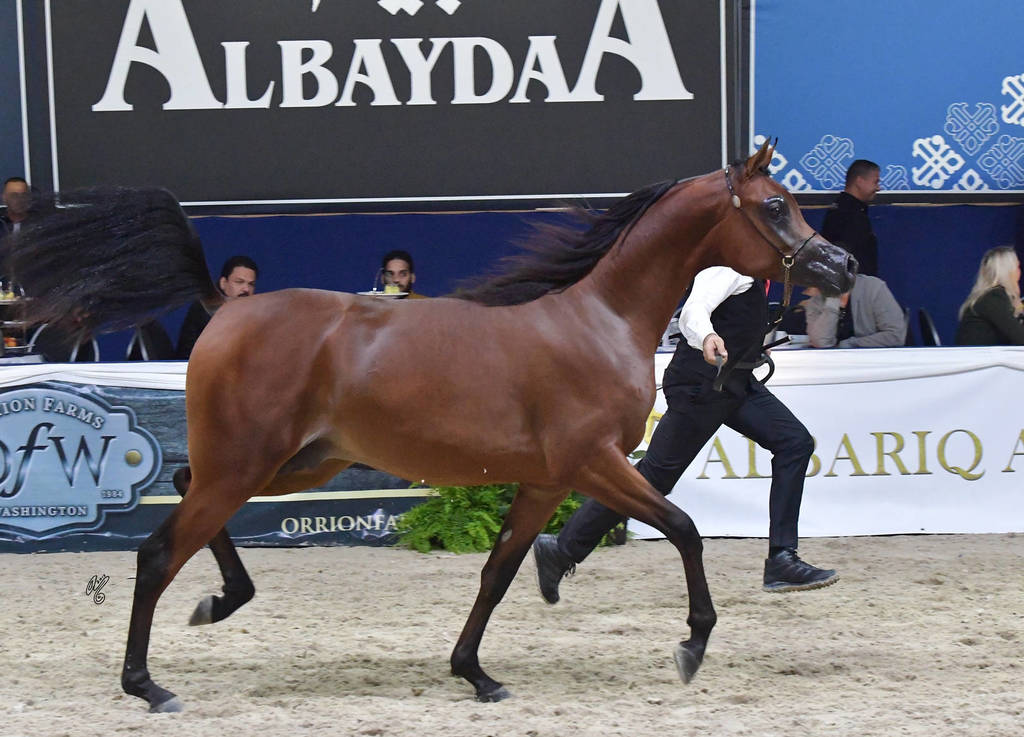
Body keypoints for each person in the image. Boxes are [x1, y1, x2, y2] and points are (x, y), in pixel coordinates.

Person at [533, 266, 839, 600]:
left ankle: (782, 558)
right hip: (702, 386)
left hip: (735, 382)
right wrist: (708, 336)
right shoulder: (729, 268)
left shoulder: (755, 275)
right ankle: (562, 550)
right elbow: (694, 310)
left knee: (795, 442)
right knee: (654, 478)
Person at [176, 255, 258, 358]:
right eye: (239, 282)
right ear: (223, 283)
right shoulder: (205, 310)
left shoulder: (257, 316)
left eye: (251, 284)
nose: (246, 289)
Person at [803, 275, 906, 348]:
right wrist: (833, 299)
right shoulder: (816, 301)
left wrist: (851, 344)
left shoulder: (873, 288)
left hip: (876, 363)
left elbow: (895, 335)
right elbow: (821, 342)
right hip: (833, 366)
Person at [821, 160, 881, 277]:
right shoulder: (847, 215)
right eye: (876, 182)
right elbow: (840, 256)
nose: (878, 188)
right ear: (859, 181)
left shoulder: (843, 210)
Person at [955, 246, 1024, 345]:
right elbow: (1020, 338)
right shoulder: (994, 297)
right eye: (1017, 267)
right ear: (1008, 272)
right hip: (978, 359)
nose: (1019, 272)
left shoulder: (986, 296)